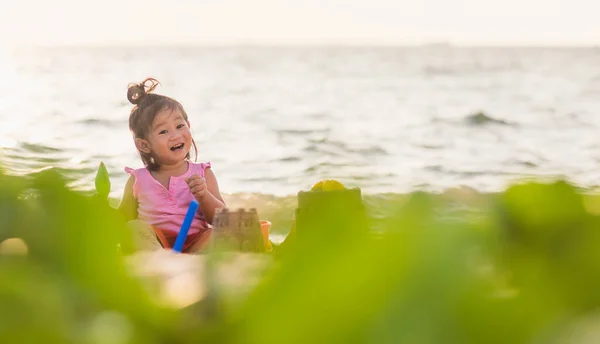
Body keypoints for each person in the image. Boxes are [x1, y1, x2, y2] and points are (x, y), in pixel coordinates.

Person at [118, 77, 226, 253]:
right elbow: (123, 220)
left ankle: (194, 263)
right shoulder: (138, 180)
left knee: (224, 232)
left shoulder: (203, 173)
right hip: (155, 245)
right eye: (163, 131)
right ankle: (159, 261)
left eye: (179, 126)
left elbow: (220, 219)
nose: (175, 135)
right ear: (144, 145)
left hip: (198, 245)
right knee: (134, 227)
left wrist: (204, 195)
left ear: (188, 126)